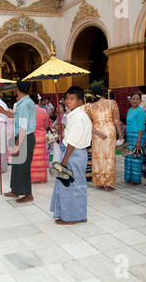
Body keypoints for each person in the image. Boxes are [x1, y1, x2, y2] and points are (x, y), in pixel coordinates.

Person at [50, 86, 92, 225]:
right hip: (76, 153)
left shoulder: (78, 117)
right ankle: (79, 215)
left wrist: (64, 161)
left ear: (80, 101)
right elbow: (74, 135)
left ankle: (73, 217)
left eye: (72, 99)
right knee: (76, 184)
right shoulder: (76, 115)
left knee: (71, 186)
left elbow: (72, 143)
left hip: (73, 153)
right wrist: (65, 129)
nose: (68, 101)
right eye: (67, 98)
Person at [84, 85, 124, 191]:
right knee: (109, 156)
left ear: (92, 94)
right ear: (104, 92)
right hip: (109, 132)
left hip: (96, 133)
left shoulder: (88, 106)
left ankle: (99, 183)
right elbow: (116, 121)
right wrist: (120, 135)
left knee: (97, 157)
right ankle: (108, 184)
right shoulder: (112, 103)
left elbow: (87, 124)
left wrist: (98, 133)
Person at [3, 79, 36, 203]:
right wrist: (3, 112)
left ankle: (28, 194)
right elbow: (16, 117)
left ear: (18, 89)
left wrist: (17, 145)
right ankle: (15, 190)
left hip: (25, 137)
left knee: (23, 166)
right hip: (21, 137)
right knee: (16, 165)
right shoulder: (24, 103)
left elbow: (24, 127)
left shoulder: (25, 104)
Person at [124, 92, 146, 185]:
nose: (135, 101)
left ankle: (136, 180)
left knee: (136, 158)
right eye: (133, 99)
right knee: (128, 158)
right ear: (130, 100)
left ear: (140, 101)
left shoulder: (141, 111)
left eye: (137, 99)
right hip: (129, 137)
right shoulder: (129, 110)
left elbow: (141, 126)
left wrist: (138, 141)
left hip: (137, 136)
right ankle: (128, 178)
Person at [30, 93, 49, 183]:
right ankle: (42, 178)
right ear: (39, 100)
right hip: (41, 136)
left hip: (31, 136)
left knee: (32, 157)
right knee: (41, 157)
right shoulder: (44, 111)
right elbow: (46, 124)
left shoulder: (28, 111)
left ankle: (32, 177)